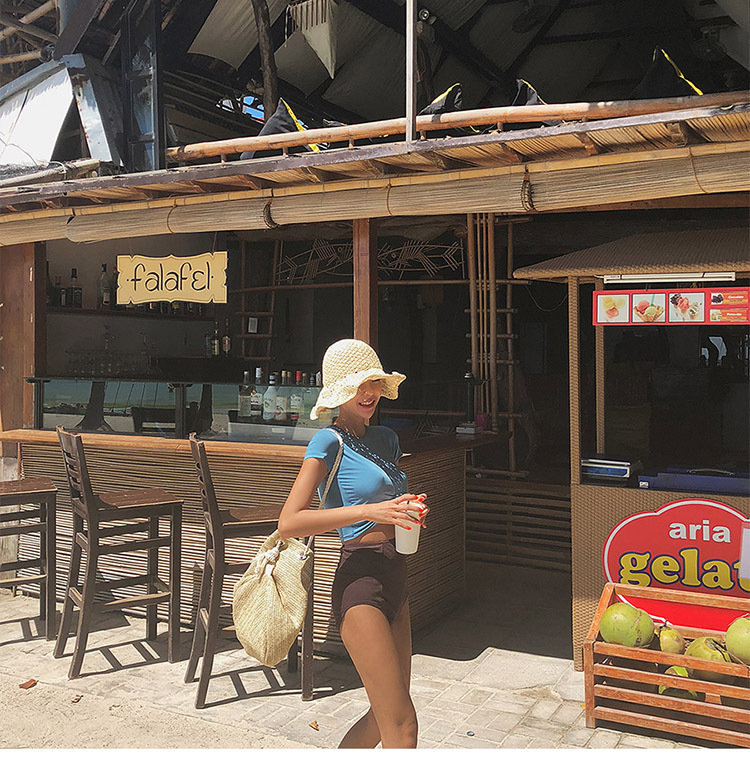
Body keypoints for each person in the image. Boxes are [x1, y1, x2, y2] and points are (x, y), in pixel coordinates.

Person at [278, 339, 428, 748]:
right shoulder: (328, 442)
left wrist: (407, 509)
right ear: (339, 392)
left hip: (396, 573)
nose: (368, 393)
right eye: (358, 385)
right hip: (360, 581)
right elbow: (289, 521)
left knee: (384, 718)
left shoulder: (386, 439)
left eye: (374, 383)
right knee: (404, 726)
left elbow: (386, 497)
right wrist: (369, 512)